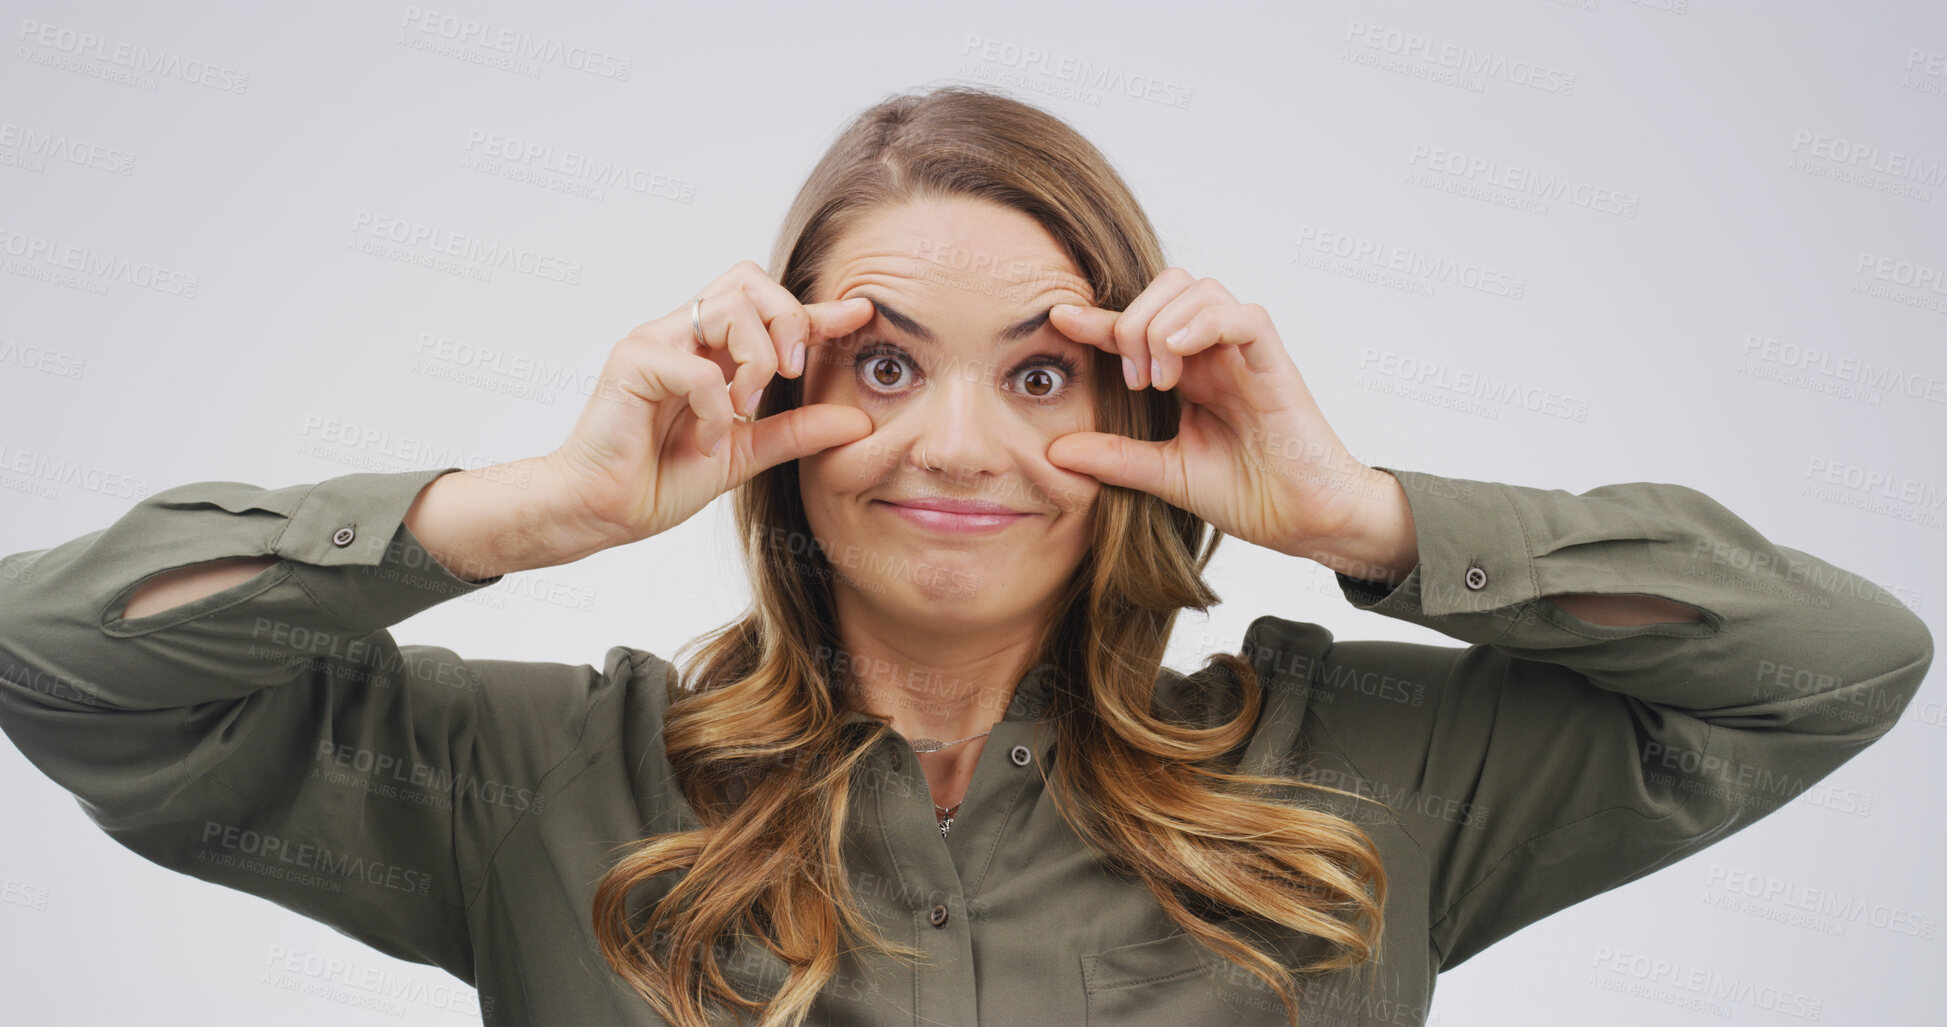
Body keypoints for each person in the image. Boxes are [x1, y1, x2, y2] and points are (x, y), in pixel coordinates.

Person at [0, 85, 1931, 1027]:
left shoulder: (1375, 776)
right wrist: (517, 511)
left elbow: (1834, 664)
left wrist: (1369, 517)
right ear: (776, 396)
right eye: (881, 365)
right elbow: (58, 661)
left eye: (1040, 372)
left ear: (1149, 403)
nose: (953, 443)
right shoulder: (532, 782)